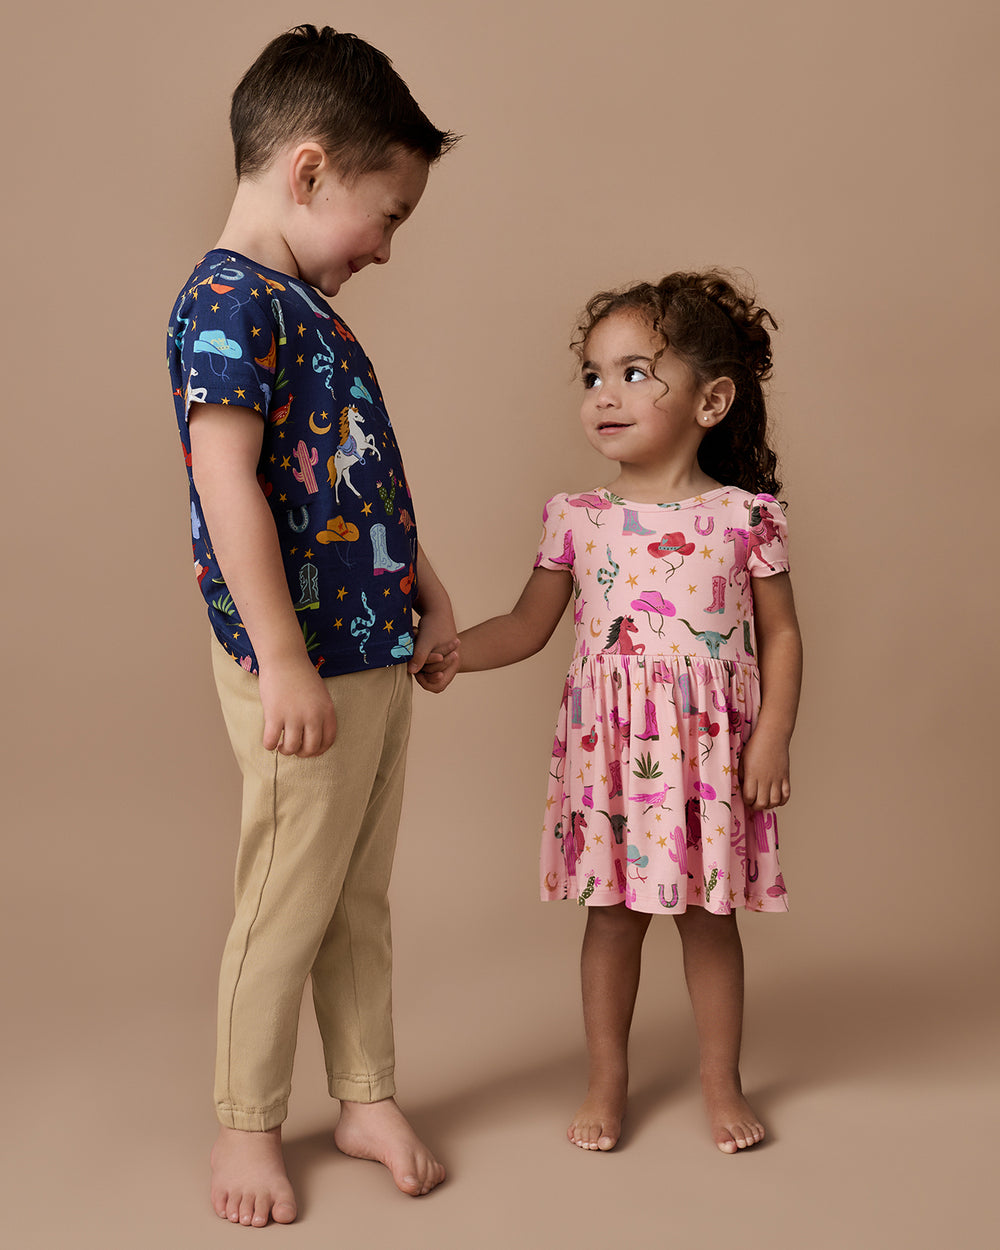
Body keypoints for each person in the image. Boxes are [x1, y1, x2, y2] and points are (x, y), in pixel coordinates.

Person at [166, 25, 460, 1227]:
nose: (385, 247)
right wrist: (282, 657)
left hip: (371, 649)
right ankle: (246, 1119)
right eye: (385, 215)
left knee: (356, 897)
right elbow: (225, 481)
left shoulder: (304, 308)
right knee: (288, 896)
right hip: (304, 667)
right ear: (306, 169)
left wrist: (427, 590)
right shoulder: (228, 304)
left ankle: (363, 1093)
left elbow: (353, 478)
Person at [449, 271, 803, 1155]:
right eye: (593, 376)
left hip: (708, 758)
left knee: (709, 920)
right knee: (610, 918)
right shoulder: (576, 517)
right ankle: (606, 1080)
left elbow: (783, 635)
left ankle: (720, 1081)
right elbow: (528, 625)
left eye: (636, 373)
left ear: (712, 401)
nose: (604, 395)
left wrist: (772, 738)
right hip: (614, 756)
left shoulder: (747, 517)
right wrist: (454, 651)